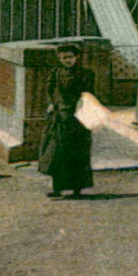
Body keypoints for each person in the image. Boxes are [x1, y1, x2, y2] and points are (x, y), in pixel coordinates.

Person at [39, 42, 96, 200]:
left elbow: (89, 93)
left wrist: (82, 103)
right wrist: (51, 103)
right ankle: (58, 188)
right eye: (64, 58)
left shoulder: (86, 74)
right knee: (57, 152)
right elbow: (49, 91)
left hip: (78, 118)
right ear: (59, 58)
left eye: (70, 57)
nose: (67, 60)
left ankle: (77, 189)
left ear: (76, 57)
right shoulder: (55, 74)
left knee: (77, 152)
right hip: (60, 117)